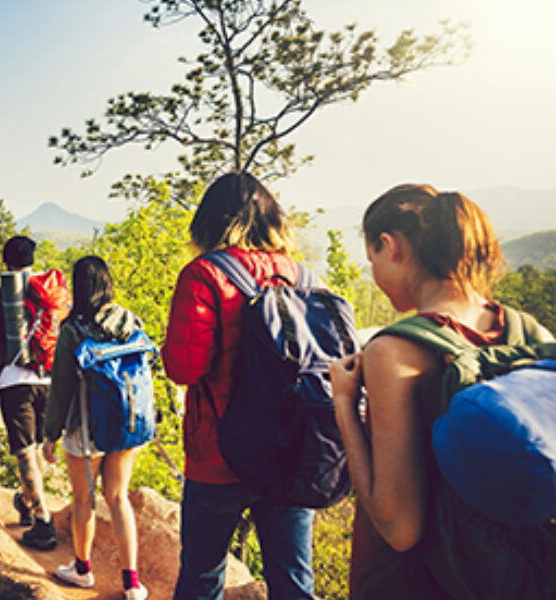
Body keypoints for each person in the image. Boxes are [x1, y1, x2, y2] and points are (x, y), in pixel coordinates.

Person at [329, 184, 555, 598]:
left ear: (390, 246)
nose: (375, 275)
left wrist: (344, 403)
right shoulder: (530, 331)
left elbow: (399, 528)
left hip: (422, 584)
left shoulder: (395, 351)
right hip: (520, 577)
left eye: (372, 259)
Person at [163, 172, 316, 600]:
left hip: (219, 453)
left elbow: (184, 368)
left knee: (202, 577)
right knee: (294, 583)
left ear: (209, 221)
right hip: (292, 452)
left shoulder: (204, 275)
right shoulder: (306, 278)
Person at [41, 255, 149, 600]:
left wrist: (50, 435)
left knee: (83, 499)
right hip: (127, 423)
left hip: (86, 427)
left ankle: (82, 570)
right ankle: (132, 583)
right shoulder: (131, 321)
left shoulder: (74, 329)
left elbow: (61, 388)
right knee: (118, 498)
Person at [0, 235, 56, 550]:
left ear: (5, 262)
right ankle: (28, 501)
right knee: (36, 445)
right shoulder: (51, 293)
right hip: (49, 379)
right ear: (33, 259)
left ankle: (43, 521)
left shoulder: (1, 297)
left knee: (25, 450)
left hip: (15, 382)